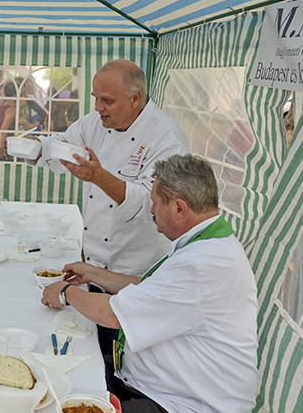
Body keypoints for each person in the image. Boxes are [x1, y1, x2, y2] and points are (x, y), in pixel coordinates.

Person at [41, 154, 258, 413]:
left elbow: (110, 314)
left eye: (156, 203)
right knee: (71, 388)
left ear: (180, 208)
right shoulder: (210, 245)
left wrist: (65, 293)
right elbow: (150, 290)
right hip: (170, 396)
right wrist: (94, 274)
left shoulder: (200, 265)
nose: (152, 211)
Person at [35, 59, 189, 275]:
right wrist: (36, 147)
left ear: (135, 98)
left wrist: (99, 177)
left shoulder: (167, 138)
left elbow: (152, 205)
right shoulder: (94, 122)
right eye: (95, 98)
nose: (98, 107)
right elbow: (62, 144)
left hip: (136, 271)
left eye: (106, 100)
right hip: (92, 262)